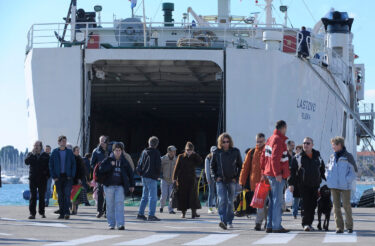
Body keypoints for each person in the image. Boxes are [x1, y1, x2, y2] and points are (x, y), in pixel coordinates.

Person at [288, 137, 326, 231]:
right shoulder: (298, 157)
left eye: (308, 143)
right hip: (303, 185)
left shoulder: (318, 156)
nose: (305, 145)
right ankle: (305, 224)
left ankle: (309, 223)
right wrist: (291, 184)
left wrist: (324, 181)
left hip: (315, 185)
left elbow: (322, 169)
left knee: (313, 205)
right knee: (305, 205)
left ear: (312, 145)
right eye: (304, 143)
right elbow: (292, 172)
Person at [261, 120, 290, 233]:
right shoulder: (278, 140)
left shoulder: (270, 138)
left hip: (270, 174)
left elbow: (263, 156)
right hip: (277, 175)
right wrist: (277, 173)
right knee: (277, 201)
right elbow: (275, 158)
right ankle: (276, 226)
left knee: (272, 201)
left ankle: (270, 225)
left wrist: (264, 170)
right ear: (283, 127)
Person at [99, 142, 135, 230]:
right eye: (116, 150)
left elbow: (130, 173)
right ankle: (111, 224)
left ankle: (120, 224)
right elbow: (101, 170)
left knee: (120, 205)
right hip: (109, 186)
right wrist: (110, 166)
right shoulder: (108, 160)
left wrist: (132, 185)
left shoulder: (124, 161)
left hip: (120, 186)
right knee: (110, 206)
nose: (118, 152)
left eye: (119, 150)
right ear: (113, 151)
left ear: (122, 151)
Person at [211, 133, 243, 230]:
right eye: (224, 142)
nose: (226, 143)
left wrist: (236, 178)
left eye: (227, 142)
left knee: (230, 202)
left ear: (230, 142)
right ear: (221, 142)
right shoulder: (217, 152)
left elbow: (241, 166)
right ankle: (223, 221)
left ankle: (229, 221)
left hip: (232, 180)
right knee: (222, 200)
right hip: (221, 180)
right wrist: (215, 177)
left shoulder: (235, 151)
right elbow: (212, 167)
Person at [326, 137, 356, 234]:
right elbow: (327, 170)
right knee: (336, 207)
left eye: (334, 145)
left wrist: (347, 180)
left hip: (345, 186)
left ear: (340, 145)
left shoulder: (348, 156)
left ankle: (349, 226)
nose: (332, 147)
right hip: (334, 186)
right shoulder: (331, 157)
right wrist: (329, 178)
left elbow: (353, 171)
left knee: (347, 206)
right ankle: (339, 227)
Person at [239, 133, 267, 231]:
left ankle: (263, 223)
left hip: (268, 182)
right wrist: (242, 181)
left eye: (261, 141)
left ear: (265, 141)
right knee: (260, 205)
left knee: (266, 204)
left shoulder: (268, 151)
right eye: (257, 141)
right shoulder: (251, 152)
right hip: (256, 183)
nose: (259, 143)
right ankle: (261, 223)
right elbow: (245, 168)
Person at [172, 142, 203, 219]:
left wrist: (195, 154)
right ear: (185, 150)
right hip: (182, 180)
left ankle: (194, 213)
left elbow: (200, 161)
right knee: (183, 197)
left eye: (190, 150)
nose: (189, 151)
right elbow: (176, 168)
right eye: (187, 150)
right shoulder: (181, 156)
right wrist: (174, 178)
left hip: (192, 180)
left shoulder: (194, 156)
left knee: (193, 196)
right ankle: (183, 213)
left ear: (193, 150)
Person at [49, 136, 76, 219]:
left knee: (67, 195)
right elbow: (51, 165)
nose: (64, 142)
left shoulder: (69, 152)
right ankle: (61, 213)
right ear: (59, 142)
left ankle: (67, 212)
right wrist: (54, 176)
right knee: (60, 195)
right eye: (62, 141)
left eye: (65, 141)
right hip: (58, 177)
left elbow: (73, 164)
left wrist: (72, 175)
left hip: (67, 177)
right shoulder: (54, 152)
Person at [136, 136, 162, 221]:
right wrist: (158, 175)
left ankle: (140, 213)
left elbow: (139, 164)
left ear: (149, 143)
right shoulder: (156, 153)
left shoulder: (144, 152)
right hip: (152, 177)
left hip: (144, 177)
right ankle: (151, 215)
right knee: (153, 197)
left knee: (145, 196)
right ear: (157, 144)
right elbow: (158, 166)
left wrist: (141, 173)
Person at [25, 141, 50, 219]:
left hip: (42, 179)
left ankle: (42, 212)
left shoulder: (45, 155)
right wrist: (32, 154)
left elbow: (49, 166)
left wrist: (47, 176)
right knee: (33, 196)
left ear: (41, 146)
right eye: (34, 145)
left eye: (37, 145)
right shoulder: (30, 154)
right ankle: (32, 214)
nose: (36, 147)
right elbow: (26, 162)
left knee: (42, 196)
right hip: (33, 178)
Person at [91, 135, 110, 218]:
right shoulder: (96, 151)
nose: (102, 142)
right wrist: (97, 169)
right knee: (100, 193)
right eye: (101, 140)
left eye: (104, 140)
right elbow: (92, 163)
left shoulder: (110, 150)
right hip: (100, 176)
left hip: (109, 175)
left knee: (108, 194)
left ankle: (106, 211)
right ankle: (99, 211)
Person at [159, 145, 177, 214]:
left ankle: (170, 209)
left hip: (172, 180)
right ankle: (161, 206)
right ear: (169, 151)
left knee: (171, 196)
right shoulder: (163, 158)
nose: (174, 152)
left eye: (175, 151)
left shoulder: (176, 159)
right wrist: (160, 175)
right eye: (173, 151)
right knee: (164, 195)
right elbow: (159, 168)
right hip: (164, 179)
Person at [71, 146, 89, 215]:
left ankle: (74, 210)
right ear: (73, 151)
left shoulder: (80, 159)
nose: (78, 151)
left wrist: (82, 178)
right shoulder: (72, 159)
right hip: (72, 179)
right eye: (76, 150)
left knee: (76, 195)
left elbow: (83, 170)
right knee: (73, 195)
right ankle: (73, 209)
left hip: (78, 180)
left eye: (78, 150)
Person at [205, 146, 217, 214]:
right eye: (213, 152)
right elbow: (207, 170)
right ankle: (210, 208)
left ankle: (217, 207)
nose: (214, 153)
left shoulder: (218, 157)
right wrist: (208, 179)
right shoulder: (208, 158)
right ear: (211, 152)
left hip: (217, 178)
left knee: (217, 193)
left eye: (215, 151)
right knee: (211, 193)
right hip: (211, 178)